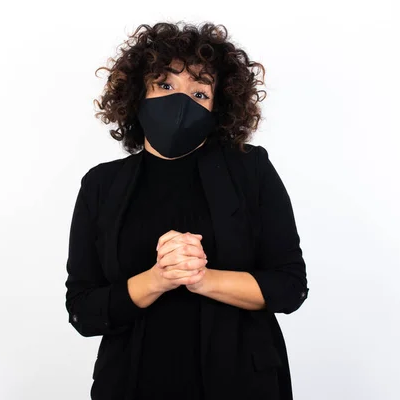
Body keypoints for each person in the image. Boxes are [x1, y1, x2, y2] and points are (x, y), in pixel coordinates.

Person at [64, 21, 309, 400]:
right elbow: (83, 310)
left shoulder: (251, 170)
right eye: (164, 86)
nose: (180, 103)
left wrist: (201, 278)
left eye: (199, 92)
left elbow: (289, 287)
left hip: (243, 383)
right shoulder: (101, 184)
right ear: (137, 94)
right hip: (131, 383)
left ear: (219, 106)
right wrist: (159, 278)